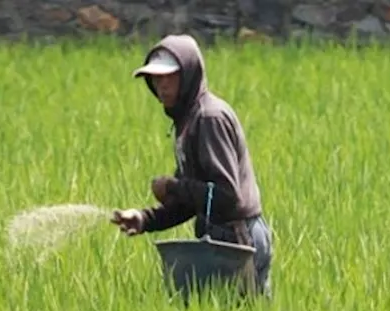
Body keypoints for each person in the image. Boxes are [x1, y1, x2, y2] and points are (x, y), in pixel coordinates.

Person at [112, 34, 273, 296]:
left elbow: (225, 196)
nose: (162, 86)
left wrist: (173, 186)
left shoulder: (209, 118)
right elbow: (193, 201)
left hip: (238, 238)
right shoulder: (188, 119)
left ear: (188, 75)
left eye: (170, 77)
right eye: (156, 79)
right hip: (222, 237)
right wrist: (144, 219)